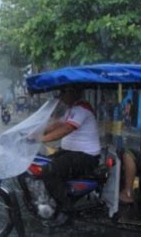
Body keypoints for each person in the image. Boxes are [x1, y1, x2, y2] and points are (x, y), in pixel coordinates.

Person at [28, 87, 101, 226]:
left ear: (74, 92)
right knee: (44, 162)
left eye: (63, 92)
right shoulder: (72, 109)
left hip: (85, 157)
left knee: (49, 172)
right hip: (72, 153)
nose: (60, 96)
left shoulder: (82, 109)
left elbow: (67, 129)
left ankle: (66, 212)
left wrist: (41, 139)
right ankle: (50, 200)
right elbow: (57, 124)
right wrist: (34, 133)